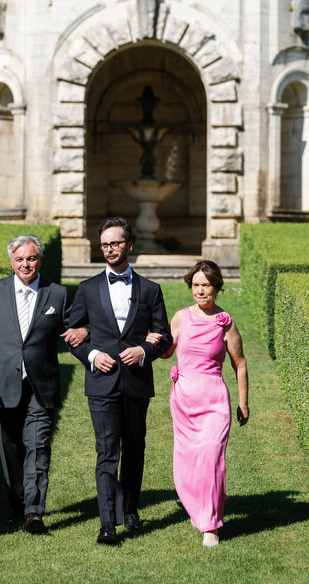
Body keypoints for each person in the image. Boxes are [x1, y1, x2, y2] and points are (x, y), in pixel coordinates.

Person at [0, 234, 86, 534]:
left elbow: (73, 328)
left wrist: (84, 332)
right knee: (11, 452)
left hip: (40, 386)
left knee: (38, 446)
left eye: (31, 258)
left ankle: (34, 512)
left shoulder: (56, 294)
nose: (25, 264)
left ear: (40, 261)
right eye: (20, 259)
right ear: (11, 262)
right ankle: (18, 505)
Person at [68, 217, 172, 545]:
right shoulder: (86, 289)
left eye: (116, 243)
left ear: (129, 245)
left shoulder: (151, 290)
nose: (110, 249)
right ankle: (107, 523)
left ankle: (131, 509)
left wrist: (143, 350)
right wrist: (91, 356)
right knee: (106, 451)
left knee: (135, 447)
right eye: (105, 245)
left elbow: (165, 336)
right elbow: (72, 336)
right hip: (101, 383)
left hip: (137, 381)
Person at [147, 260, 249, 547]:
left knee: (211, 456)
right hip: (184, 400)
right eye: (196, 285)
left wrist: (243, 402)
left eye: (206, 285)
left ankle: (210, 525)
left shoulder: (225, 322)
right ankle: (200, 506)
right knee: (188, 461)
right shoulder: (180, 318)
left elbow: (239, 363)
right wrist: (154, 341)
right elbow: (167, 353)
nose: (200, 291)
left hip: (215, 399)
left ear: (216, 287)